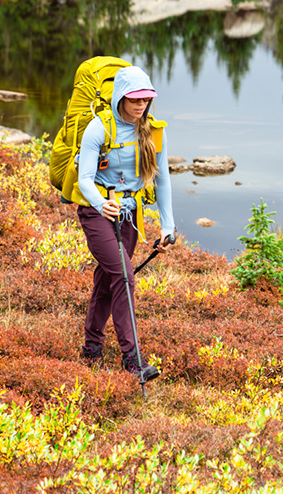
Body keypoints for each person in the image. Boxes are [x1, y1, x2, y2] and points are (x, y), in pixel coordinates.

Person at [75, 65, 176, 378]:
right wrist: (100, 203)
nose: (141, 104)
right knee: (124, 277)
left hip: (130, 216)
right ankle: (133, 361)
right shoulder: (98, 128)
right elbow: (85, 179)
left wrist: (168, 226)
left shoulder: (154, 132)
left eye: (145, 99)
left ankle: (91, 347)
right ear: (121, 97)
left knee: (109, 279)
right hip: (98, 213)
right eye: (134, 98)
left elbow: (162, 181)